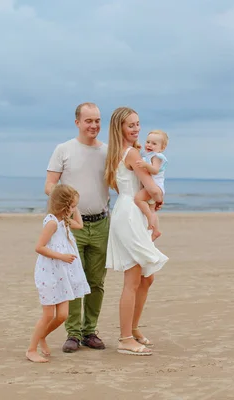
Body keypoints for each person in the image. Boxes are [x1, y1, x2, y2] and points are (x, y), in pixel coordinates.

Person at [44, 102, 110, 353]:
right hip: (71, 227)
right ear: (77, 123)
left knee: (96, 281)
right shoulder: (64, 149)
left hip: (102, 222)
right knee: (72, 280)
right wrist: (69, 203)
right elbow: (49, 185)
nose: (93, 125)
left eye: (97, 120)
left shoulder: (107, 151)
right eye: (88, 121)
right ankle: (72, 333)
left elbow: (122, 179)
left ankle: (89, 331)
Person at [104, 106, 169, 356]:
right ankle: (125, 339)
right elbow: (152, 189)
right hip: (131, 214)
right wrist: (159, 197)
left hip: (130, 211)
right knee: (133, 280)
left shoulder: (120, 152)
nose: (136, 129)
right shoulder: (131, 154)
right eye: (131, 125)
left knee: (146, 277)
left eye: (138, 124)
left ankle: (133, 328)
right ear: (119, 127)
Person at [26, 184, 91, 363]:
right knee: (48, 314)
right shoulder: (52, 222)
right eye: (71, 206)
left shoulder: (64, 221)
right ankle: (31, 349)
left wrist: (75, 208)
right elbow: (39, 247)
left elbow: (80, 224)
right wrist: (61, 256)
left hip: (62, 274)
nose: (73, 210)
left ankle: (42, 336)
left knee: (62, 315)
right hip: (49, 273)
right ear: (62, 205)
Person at [134, 130, 169, 240]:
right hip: (153, 186)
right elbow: (140, 153)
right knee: (153, 209)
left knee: (138, 199)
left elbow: (155, 170)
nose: (149, 145)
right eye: (148, 142)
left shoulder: (157, 157)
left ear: (162, 148)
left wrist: (145, 165)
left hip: (155, 186)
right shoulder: (148, 154)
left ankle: (149, 217)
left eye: (154, 144)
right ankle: (156, 231)